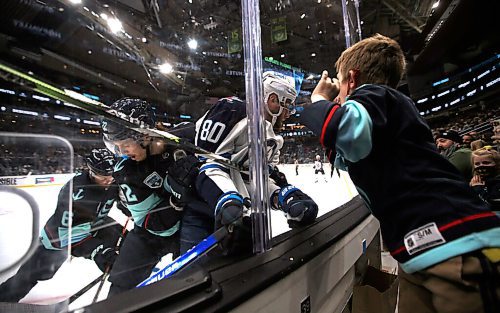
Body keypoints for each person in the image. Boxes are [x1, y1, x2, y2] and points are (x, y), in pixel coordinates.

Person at [299, 34, 500, 313]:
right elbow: (351, 153)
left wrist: (320, 99)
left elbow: (343, 129)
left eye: (341, 84)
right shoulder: (388, 111)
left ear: (353, 79)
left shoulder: (374, 95)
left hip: (460, 246)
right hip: (422, 253)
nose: (340, 95)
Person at [194, 71, 319, 253]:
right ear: (272, 99)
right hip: (202, 212)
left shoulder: (271, 137)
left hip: (239, 212)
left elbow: (253, 179)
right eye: (287, 105)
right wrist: (229, 202)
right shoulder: (231, 110)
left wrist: (281, 196)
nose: (288, 114)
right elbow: (208, 166)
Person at [101, 98, 211, 295]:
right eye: (115, 146)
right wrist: (177, 199)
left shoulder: (183, 137)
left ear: (144, 136)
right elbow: (155, 224)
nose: (121, 152)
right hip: (151, 233)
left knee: (194, 282)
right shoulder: (127, 172)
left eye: (125, 144)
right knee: (121, 285)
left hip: (191, 221)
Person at [0, 148, 124, 302]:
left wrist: (126, 204)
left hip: (93, 226)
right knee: (26, 279)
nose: (109, 180)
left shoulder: (113, 180)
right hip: (57, 239)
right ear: (91, 171)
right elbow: (67, 234)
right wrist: (98, 251)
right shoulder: (77, 192)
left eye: (111, 175)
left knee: (128, 238)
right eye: (103, 176)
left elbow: (120, 197)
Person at [470, 146, 500, 213]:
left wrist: (478, 188)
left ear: (497, 164)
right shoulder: (475, 181)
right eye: (477, 164)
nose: (481, 166)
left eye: (486, 163)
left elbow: (492, 205)